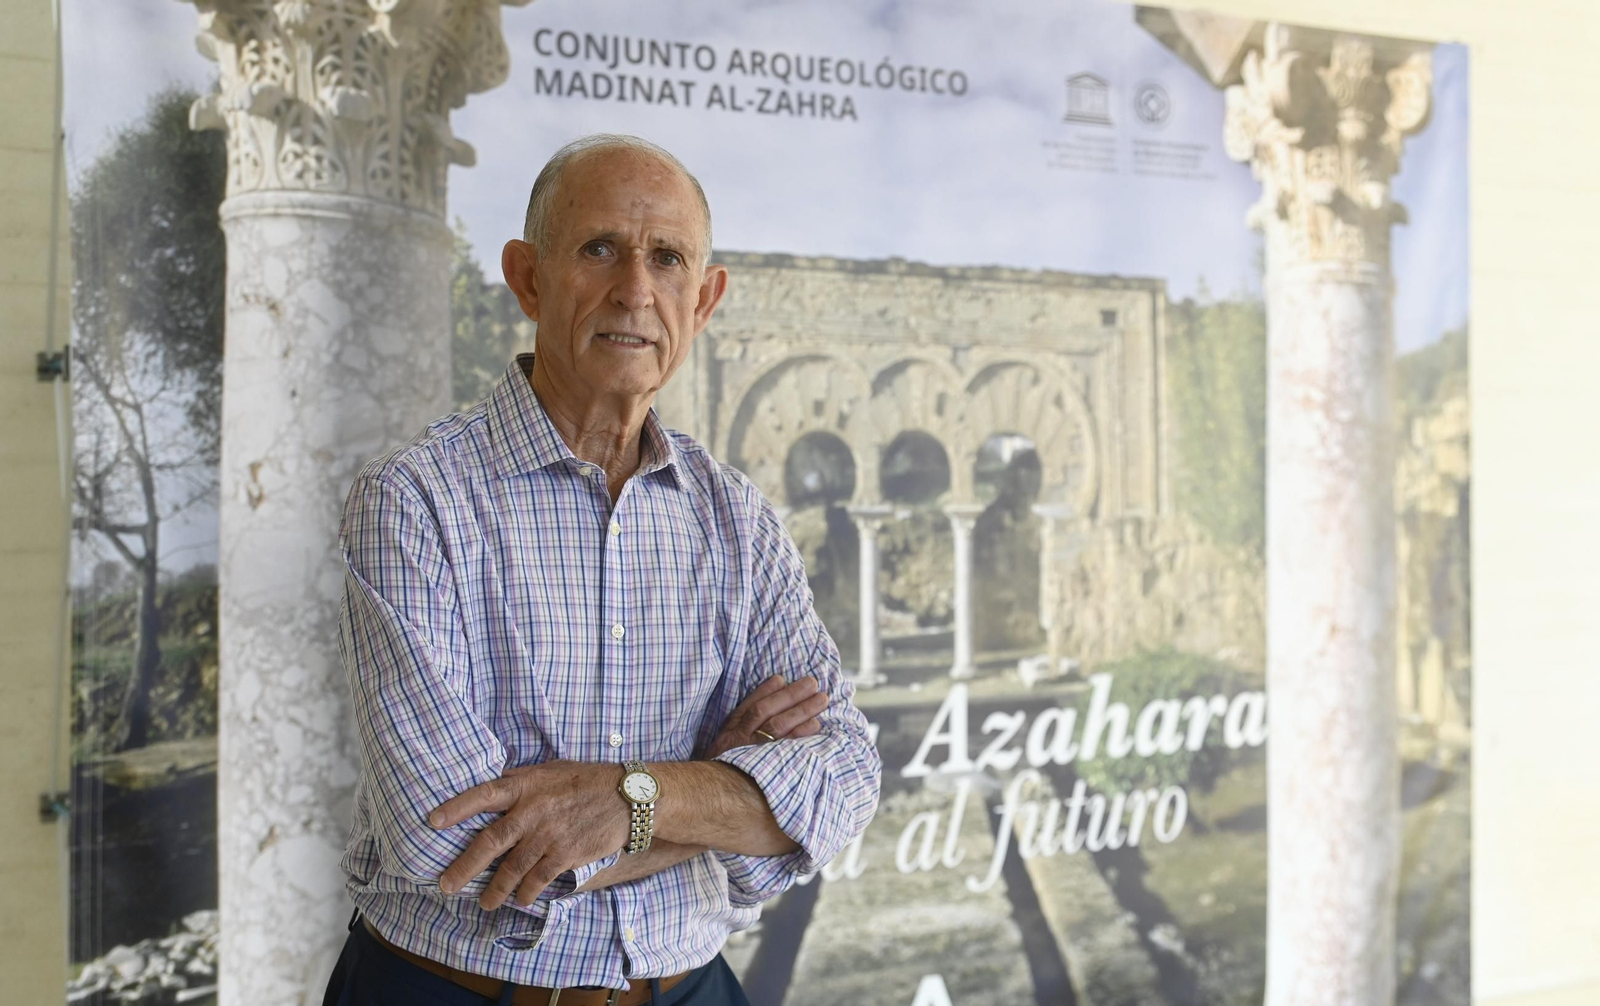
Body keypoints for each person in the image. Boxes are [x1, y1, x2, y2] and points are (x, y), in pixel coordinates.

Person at [321, 133, 882, 1006]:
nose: (635, 290)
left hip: (689, 987)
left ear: (704, 299)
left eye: (667, 258)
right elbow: (451, 847)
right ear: (529, 276)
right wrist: (720, 791)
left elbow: (844, 776)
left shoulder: (739, 519)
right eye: (599, 249)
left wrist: (634, 800)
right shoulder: (415, 502)